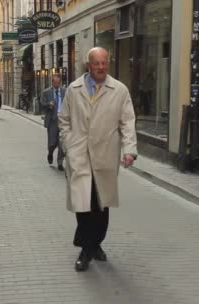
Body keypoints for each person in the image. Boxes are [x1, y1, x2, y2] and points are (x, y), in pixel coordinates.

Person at [58, 47, 137, 272]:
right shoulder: (74, 90)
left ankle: (96, 243)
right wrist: (68, 143)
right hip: (79, 154)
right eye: (97, 63)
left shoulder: (119, 90)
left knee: (101, 205)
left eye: (104, 63)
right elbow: (64, 119)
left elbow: (128, 122)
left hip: (105, 155)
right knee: (82, 205)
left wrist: (129, 149)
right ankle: (86, 249)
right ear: (88, 65)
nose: (101, 67)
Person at [40, 74, 66, 171]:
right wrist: (48, 104)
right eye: (55, 83)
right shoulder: (46, 92)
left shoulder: (65, 91)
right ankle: (50, 152)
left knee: (62, 143)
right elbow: (42, 104)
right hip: (52, 120)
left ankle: (60, 162)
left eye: (58, 83)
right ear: (52, 82)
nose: (57, 84)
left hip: (63, 120)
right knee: (52, 142)